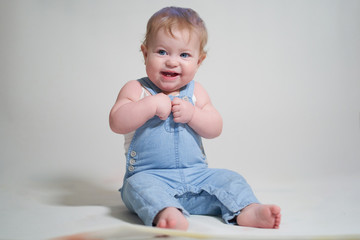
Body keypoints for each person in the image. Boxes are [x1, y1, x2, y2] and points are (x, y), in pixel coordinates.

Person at [109, 6, 281, 231]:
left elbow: (215, 128)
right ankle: (167, 212)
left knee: (230, 178)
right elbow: (116, 121)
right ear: (145, 53)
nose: (172, 62)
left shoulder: (196, 92)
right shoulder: (137, 89)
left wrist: (193, 114)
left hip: (196, 178)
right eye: (162, 52)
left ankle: (247, 209)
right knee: (136, 186)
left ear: (199, 61)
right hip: (151, 177)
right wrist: (148, 105)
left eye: (184, 55)